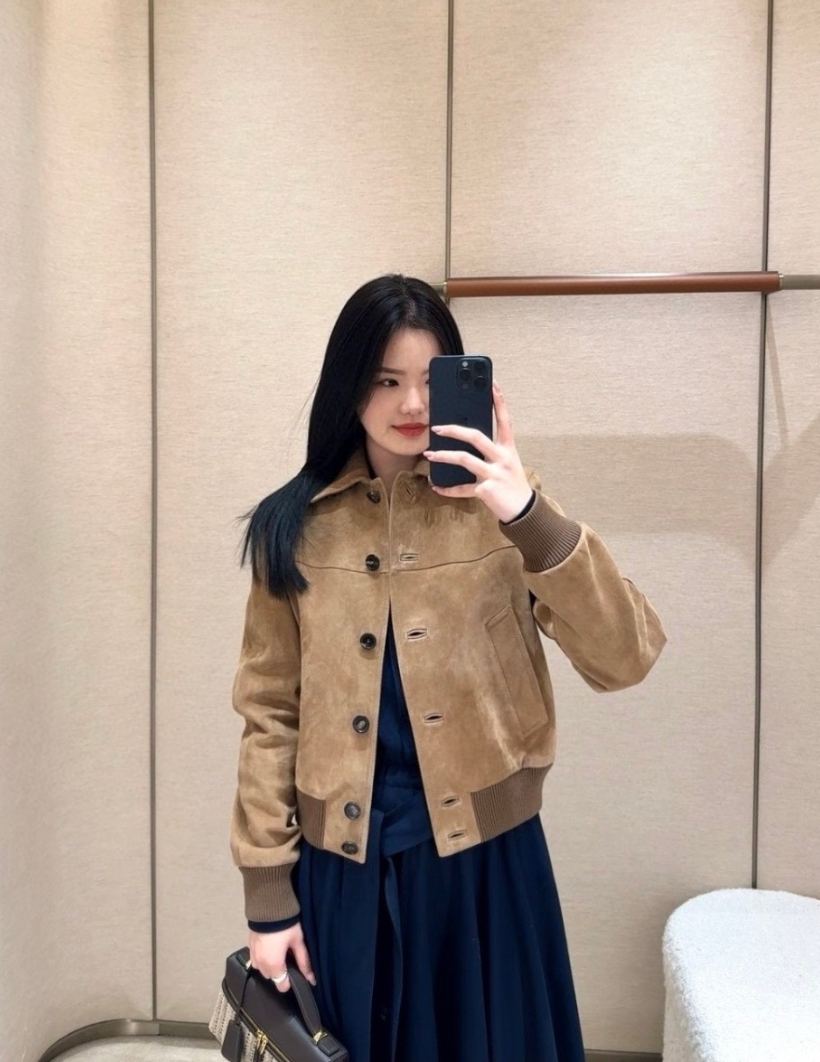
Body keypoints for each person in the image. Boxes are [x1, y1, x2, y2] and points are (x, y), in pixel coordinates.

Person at [230, 273, 667, 1062]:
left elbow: (626, 656)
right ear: (347, 386)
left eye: (431, 380)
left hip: (485, 870)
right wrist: (268, 898)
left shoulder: (508, 511)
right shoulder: (292, 529)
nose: (411, 404)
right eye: (384, 380)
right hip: (342, 873)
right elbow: (270, 715)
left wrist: (527, 515)